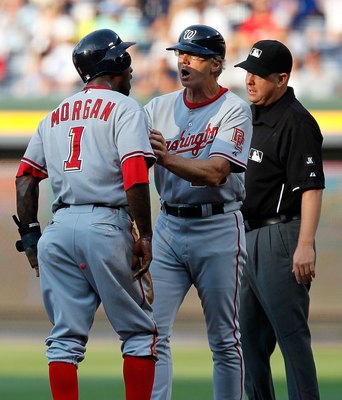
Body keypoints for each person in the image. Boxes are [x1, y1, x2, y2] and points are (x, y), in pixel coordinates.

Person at [13, 29, 158, 400]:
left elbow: (26, 179)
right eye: (125, 60)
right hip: (106, 225)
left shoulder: (54, 114)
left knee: (63, 340)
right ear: (116, 64)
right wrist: (145, 234)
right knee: (140, 334)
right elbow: (135, 175)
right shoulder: (126, 108)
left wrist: (31, 236)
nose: (130, 69)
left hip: (59, 231)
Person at [144, 24, 253, 400]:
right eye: (180, 53)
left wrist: (165, 157)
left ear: (217, 64)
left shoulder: (234, 109)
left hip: (218, 226)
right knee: (152, 332)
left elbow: (216, 172)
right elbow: (129, 167)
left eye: (193, 54)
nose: (183, 60)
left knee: (225, 339)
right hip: (169, 226)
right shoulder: (157, 107)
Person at [234, 39, 325, 399]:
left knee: (291, 340)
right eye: (248, 73)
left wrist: (304, 245)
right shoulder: (248, 115)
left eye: (259, 75)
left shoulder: (297, 121)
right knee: (248, 344)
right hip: (248, 235)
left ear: (282, 78)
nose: (250, 80)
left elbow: (312, 188)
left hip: (281, 236)